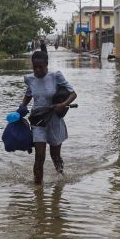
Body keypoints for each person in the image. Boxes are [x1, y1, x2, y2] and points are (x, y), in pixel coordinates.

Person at [22, 51, 77, 184]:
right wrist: (21, 107)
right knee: (39, 156)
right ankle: (38, 188)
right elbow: (29, 94)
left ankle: (61, 176)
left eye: (40, 67)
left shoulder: (55, 76)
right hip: (38, 120)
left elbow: (73, 93)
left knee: (55, 156)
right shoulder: (29, 79)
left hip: (54, 120)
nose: (37, 70)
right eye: (35, 67)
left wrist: (63, 104)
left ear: (46, 64)